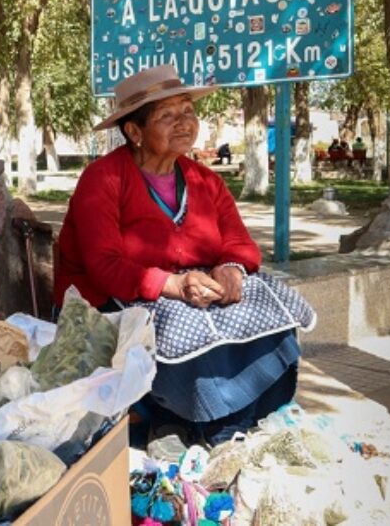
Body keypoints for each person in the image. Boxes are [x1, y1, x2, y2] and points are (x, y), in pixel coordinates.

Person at [54, 65, 300, 445]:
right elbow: (104, 265)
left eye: (187, 111)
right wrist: (173, 284)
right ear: (134, 132)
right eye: (167, 116)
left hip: (190, 285)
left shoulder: (205, 180)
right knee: (182, 323)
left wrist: (231, 270)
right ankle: (204, 424)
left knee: (270, 303)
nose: (184, 123)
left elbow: (238, 241)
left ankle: (252, 417)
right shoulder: (102, 179)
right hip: (110, 298)